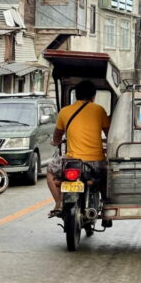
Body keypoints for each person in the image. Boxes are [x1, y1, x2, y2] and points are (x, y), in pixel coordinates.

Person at [47, 79, 110, 217]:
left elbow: (57, 135)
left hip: (72, 162)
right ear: (93, 96)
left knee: (50, 172)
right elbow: (109, 133)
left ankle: (58, 203)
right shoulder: (99, 110)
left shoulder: (64, 112)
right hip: (96, 162)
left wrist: (55, 142)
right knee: (107, 174)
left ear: (76, 95)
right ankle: (106, 204)